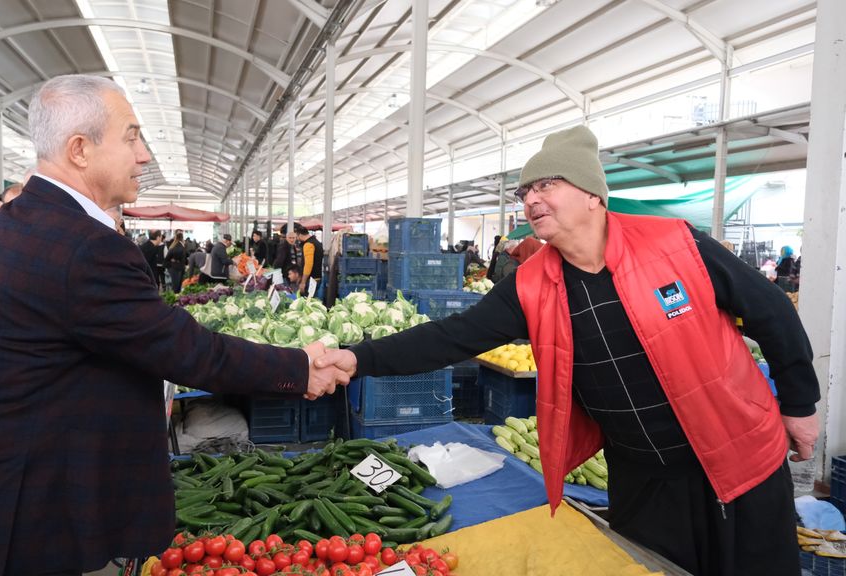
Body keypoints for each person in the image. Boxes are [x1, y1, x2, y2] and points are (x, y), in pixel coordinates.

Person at [316, 125, 819, 576]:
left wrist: (798, 405)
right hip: (642, 476)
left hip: (736, 456)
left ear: (592, 196)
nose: (531, 199)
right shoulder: (531, 283)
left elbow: (771, 311)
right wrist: (359, 358)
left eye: (545, 185)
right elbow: (454, 335)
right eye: (525, 191)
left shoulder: (677, 244)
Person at [0, 74, 350, 576]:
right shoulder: (83, 244)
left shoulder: (8, 225)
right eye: (131, 137)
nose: (143, 155)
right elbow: (185, 349)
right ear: (80, 149)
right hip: (29, 505)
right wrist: (299, 366)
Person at [296, 224, 322, 298]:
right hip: (317, 278)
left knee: (308, 301)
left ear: (300, 235)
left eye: (297, 237)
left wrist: (303, 282)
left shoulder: (308, 244)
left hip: (311, 280)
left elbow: (308, 264)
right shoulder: (317, 242)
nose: (297, 239)